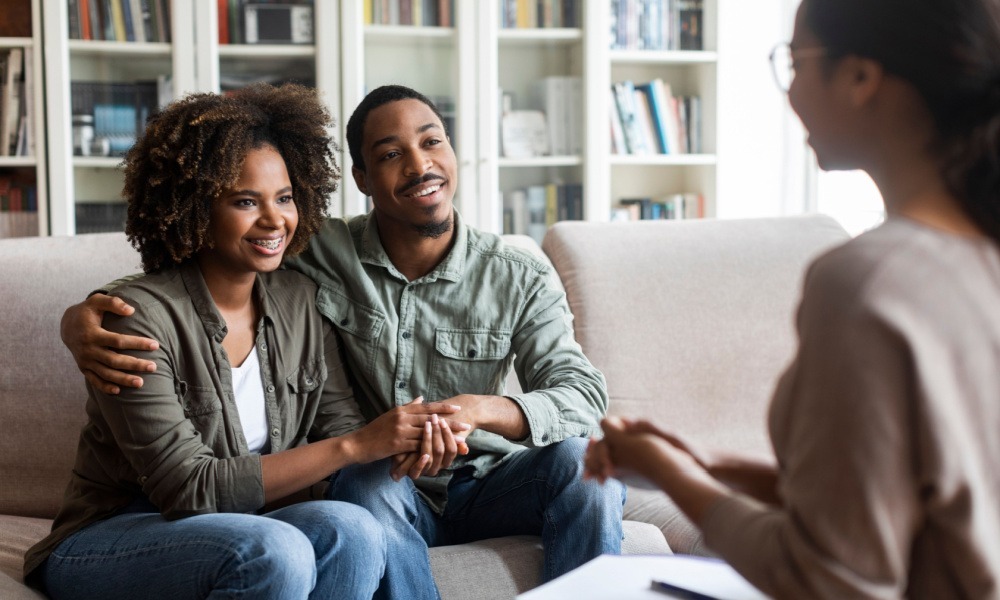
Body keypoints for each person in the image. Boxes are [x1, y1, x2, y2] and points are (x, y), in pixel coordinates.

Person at [59, 84, 626, 599]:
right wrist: (80, 317)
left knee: (585, 463)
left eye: (433, 142)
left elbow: (581, 394)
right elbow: (181, 269)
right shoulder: (318, 253)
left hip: (484, 482)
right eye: (390, 154)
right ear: (360, 178)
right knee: (361, 486)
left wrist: (482, 410)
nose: (420, 165)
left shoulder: (514, 273)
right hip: (371, 483)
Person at [585, 0, 1000, 597]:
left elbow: (829, 577)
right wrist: (704, 464)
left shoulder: (869, 282)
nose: (790, 91)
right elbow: (912, 500)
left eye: (795, 61)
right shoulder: (971, 252)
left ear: (860, 76)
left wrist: (671, 475)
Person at [26, 83, 468, 599]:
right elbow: (187, 488)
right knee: (273, 549)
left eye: (283, 198)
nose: (273, 220)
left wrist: (412, 439)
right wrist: (357, 444)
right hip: (115, 535)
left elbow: (342, 425)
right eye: (244, 201)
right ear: (196, 208)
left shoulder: (300, 300)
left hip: (253, 522)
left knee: (354, 529)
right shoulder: (135, 319)